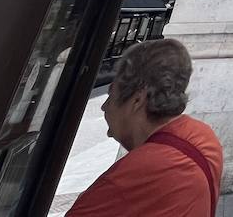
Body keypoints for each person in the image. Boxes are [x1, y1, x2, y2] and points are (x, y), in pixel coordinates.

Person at [68, 38, 223, 217]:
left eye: (111, 96)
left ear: (137, 100)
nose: (103, 107)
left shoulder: (131, 178)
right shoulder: (203, 135)